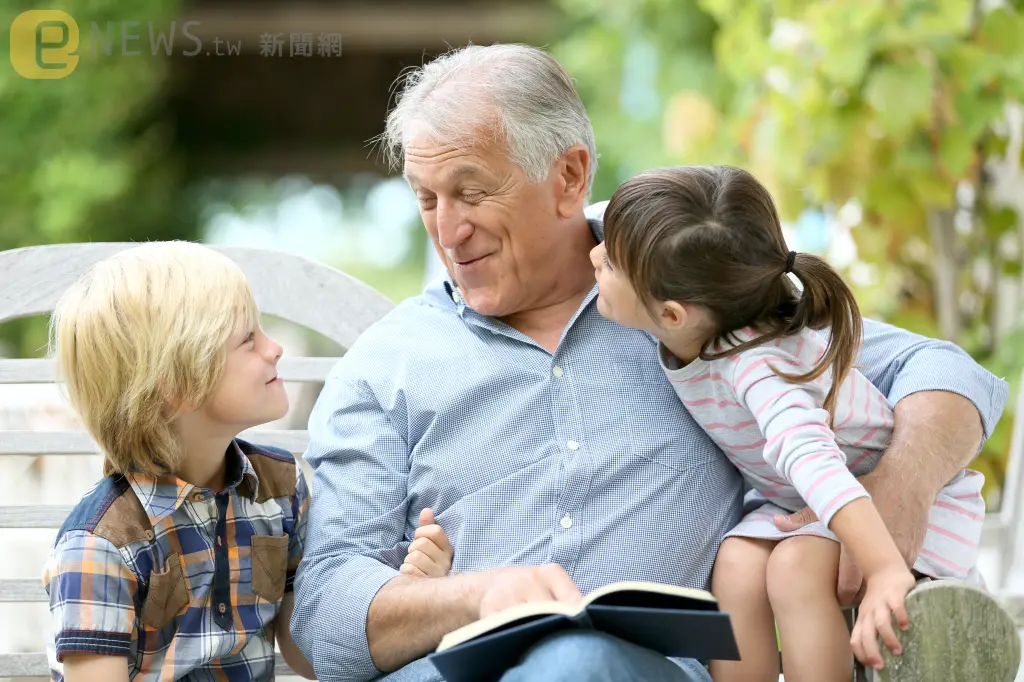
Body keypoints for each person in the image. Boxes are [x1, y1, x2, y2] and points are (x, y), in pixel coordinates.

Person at [290, 44, 1008, 682]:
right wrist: (476, 596)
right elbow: (326, 616)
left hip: (638, 670)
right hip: (449, 670)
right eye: (427, 200)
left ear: (569, 176)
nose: (450, 229)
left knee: (576, 664)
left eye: (473, 192)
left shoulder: (689, 297)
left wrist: (898, 489)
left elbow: (950, 375)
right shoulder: (388, 363)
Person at [589, 165, 986, 681]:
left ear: (671, 316)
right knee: (735, 564)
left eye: (612, 262)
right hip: (803, 504)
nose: (594, 254)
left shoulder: (761, 368)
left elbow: (815, 462)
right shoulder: (705, 323)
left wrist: (887, 568)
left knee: (795, 570)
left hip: (887, 514)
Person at [41, 242, 324, 682]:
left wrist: (395, 588)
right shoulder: (102, 545)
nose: (275, 348)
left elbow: (307, 654)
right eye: (248, 338)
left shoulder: (280, 488)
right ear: (180, 385)